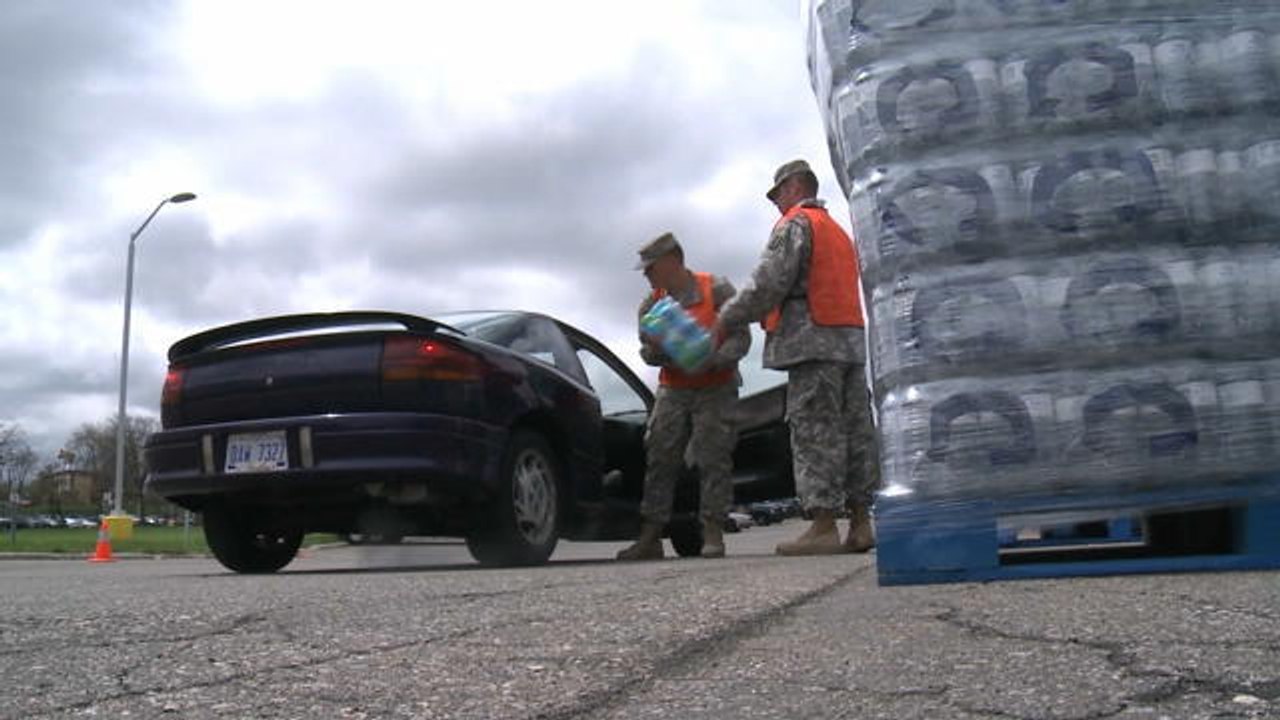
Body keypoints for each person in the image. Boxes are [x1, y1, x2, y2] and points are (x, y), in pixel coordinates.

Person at [713, 159, 879, 556]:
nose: (775, 203)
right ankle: (861, 523)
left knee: (815, 431)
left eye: (777, 194)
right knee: (855, 431)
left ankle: (823, 526)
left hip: (812, 342)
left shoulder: (796, 224)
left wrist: (726, 317)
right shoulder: (838, 231)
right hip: (850, 345)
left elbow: (768, 282)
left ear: (793, 187)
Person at [617, 232, 751, 561]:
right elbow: (646, 351)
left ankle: (713, 533)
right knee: (660, 456)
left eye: (650, 268)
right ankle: (650, 537)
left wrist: (713, 358)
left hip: (716, 385)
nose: (646, 275)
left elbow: (742, 338)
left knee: (713, 457)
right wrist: (666, 351)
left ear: (673, 261)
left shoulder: (716, 288)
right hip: (674, 387)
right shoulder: (651, 305)